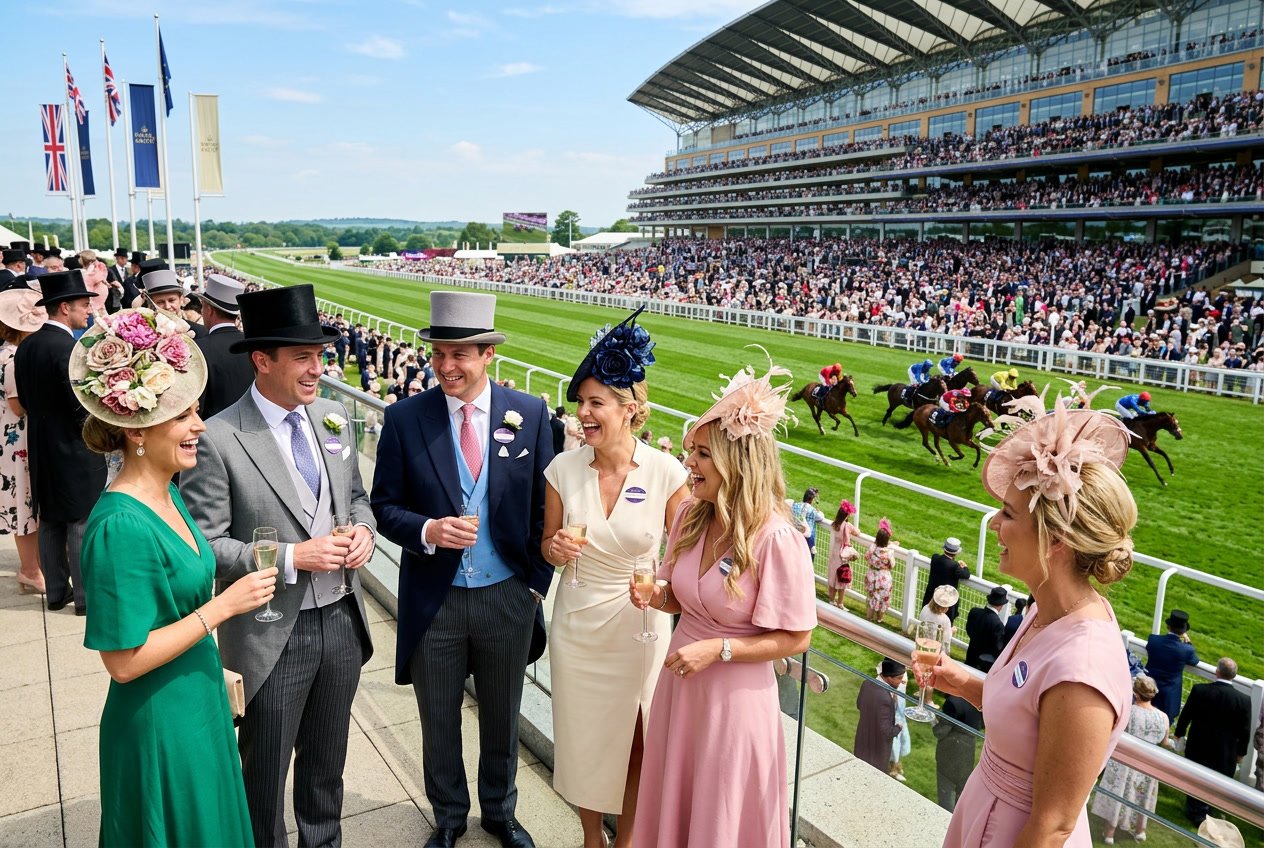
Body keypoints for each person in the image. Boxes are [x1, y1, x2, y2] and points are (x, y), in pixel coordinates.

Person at [72, 307, 277, 846]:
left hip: (197, 701)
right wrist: (223, 609)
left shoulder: (168, 493)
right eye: (183, 415)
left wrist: (212, 664)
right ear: (138, 430)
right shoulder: (120, 525)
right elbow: (123, 661)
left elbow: (171, 609)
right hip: (160, 725)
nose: (199, 427)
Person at [181, 284, 377, 848]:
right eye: (303, 358)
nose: (318, 370)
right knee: (262, 775)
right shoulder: (218, 436)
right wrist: (293, 557)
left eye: (320, 356)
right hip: (269, 632)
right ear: (262, 361)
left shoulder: (335, 417)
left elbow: (357, 497)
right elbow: (207, 544)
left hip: (342, 618)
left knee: (325, 768)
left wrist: (363, 532)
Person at [371, 291, 554, 848]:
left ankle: (499, 811)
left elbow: (548, 507)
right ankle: (448, 816)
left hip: (507, 596)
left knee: (502, 717)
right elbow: (384, 506)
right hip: (436, 599)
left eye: (461, 355)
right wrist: (428, 531)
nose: (447, 366)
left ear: (488, 354)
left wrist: (534, 589)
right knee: (438, 721)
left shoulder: (532, 414)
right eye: (440, 354)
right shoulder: (405, 418)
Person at [922, 404, 1137, 847]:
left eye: (1008, 513)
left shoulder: (1085, 668)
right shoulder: (1044, 610)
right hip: (985, 812)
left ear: (1055, 540)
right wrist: (963, 682)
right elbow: (1029, 719)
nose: (995, 524)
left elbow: (1054, 825)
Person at [630, 355, 815, 848]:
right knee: (675, 807)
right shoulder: (690, 513)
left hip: (735, 702)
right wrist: (657, 596)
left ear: (738, 463)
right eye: (691, 452)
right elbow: (679, 600)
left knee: (721, 818)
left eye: (702, 454)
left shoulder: (777, 538)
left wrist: (720, 650)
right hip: (680, 688)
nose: (689, 463)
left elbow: (798, 637)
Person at [542, 307, 688, 848]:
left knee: (636, 741)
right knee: (582, 738)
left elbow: (684, 561)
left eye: (594, 403)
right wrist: (554, 548)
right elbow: (549, 547)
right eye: (580, 403)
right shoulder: (561, 469)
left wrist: (664, 595)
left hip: (641, 629)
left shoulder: (667, 473)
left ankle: (626, 841)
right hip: (576, 625)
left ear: (630, 410)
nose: (582, 414)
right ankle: (589, 838)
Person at [14, 270, 106, 615]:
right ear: (64, 307)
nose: (89, 311)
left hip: (39, 442)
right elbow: (79, 404)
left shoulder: (27, 345)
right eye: (84, 304)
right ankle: (83, 597)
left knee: (51, 517)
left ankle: (55, 591)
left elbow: (23, 398)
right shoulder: (69, 347)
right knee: (81, 518)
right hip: (72, 444)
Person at [0, 286, 45, 593]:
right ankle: (30, 569)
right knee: (23, 504)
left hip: (13, 438)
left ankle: (34, 566)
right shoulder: (14, 358)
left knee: (25, 504)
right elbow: (18, 405)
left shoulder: (7, 352)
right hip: (19, 441)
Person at [1090, 675, 1170, 844]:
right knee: (1143, 798)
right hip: (1149, 763)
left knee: (1119, 795)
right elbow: (1164, 741)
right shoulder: (1163, 717)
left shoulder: (1128, 712)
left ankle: (1109, 833)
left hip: (1125, 761)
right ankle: (1140, 831)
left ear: (1135, 693)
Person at [1173, 657, 1253, 826]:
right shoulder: (1244, 700)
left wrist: (1179, 734)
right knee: (1218, 781)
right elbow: (1244, 730)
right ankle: (1208, 810)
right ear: (1234, 676)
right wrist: (1240, 753)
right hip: (1225, 751)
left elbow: (1186, 715)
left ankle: (1195, 810)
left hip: (1199, 745)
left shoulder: (1200, 690)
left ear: (1217, 672)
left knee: (1196, 777)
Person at [194, 274, 253, 420]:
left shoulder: (198, 349)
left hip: (213, 433)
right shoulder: (253, 344)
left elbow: (197, 405)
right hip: (253, 426)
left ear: (209, 310)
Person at [1145, 609, 1199, 723]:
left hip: (1146, 690)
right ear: (1183, 631)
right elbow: (1194, 661)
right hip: (1168, 698)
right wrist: (1188, 642)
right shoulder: (1186, 650)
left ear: (1168, 626)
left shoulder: (1153, 640)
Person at [934, 694, 983, 813]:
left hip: (949, 751)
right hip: (969, 749)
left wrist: (935, 716)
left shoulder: (952, 702)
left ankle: (944, 821)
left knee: (945, 792)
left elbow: (940, 732)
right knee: (962, 793)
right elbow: (982, 724)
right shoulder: (979, 697)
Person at [855, 660, 905, 772]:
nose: (902, 682)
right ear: (889, 678)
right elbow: (886, 732)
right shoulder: (885, 698)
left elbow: (859, 705)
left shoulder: (866, 683)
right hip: (877, 754)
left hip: (861, 743)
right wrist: (899, 727)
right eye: (899, 678)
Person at [921, 537, 969, 622]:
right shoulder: (955, 566)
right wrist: (964, 567)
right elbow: (966, 575)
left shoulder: (935, 557)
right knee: (944, 625)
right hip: (945, 601)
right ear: (956, 553)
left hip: (930, 597)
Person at [964, 586, 1007, 670]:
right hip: (984, 664)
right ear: (1001, 606)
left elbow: (969, 629)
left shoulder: (974, 612)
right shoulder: (998, 624)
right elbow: (998, 648)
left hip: (970, 655)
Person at [826, 499, 858, 607]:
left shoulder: (835, 524)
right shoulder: (847, 526)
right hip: (842, 555)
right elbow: (857, 532)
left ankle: (831, 600)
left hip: (834, 552)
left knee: (833, 576)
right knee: (842, 578)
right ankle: (840, 602)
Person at [864, 518, 895, 623]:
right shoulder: (889, 552)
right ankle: (879, 619)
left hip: (872, 576)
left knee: (872, 598)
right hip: (884, 578)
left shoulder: (873, 548)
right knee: (882, 600)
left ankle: (868, 619)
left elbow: (866, 557)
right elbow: (892, 565)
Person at [790, 486, 828, 557]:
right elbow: (820, 517)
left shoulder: (795, 505)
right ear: (812, 499)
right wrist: (818, 511)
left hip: (794, 536)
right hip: (806, 539)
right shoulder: (812, 510)